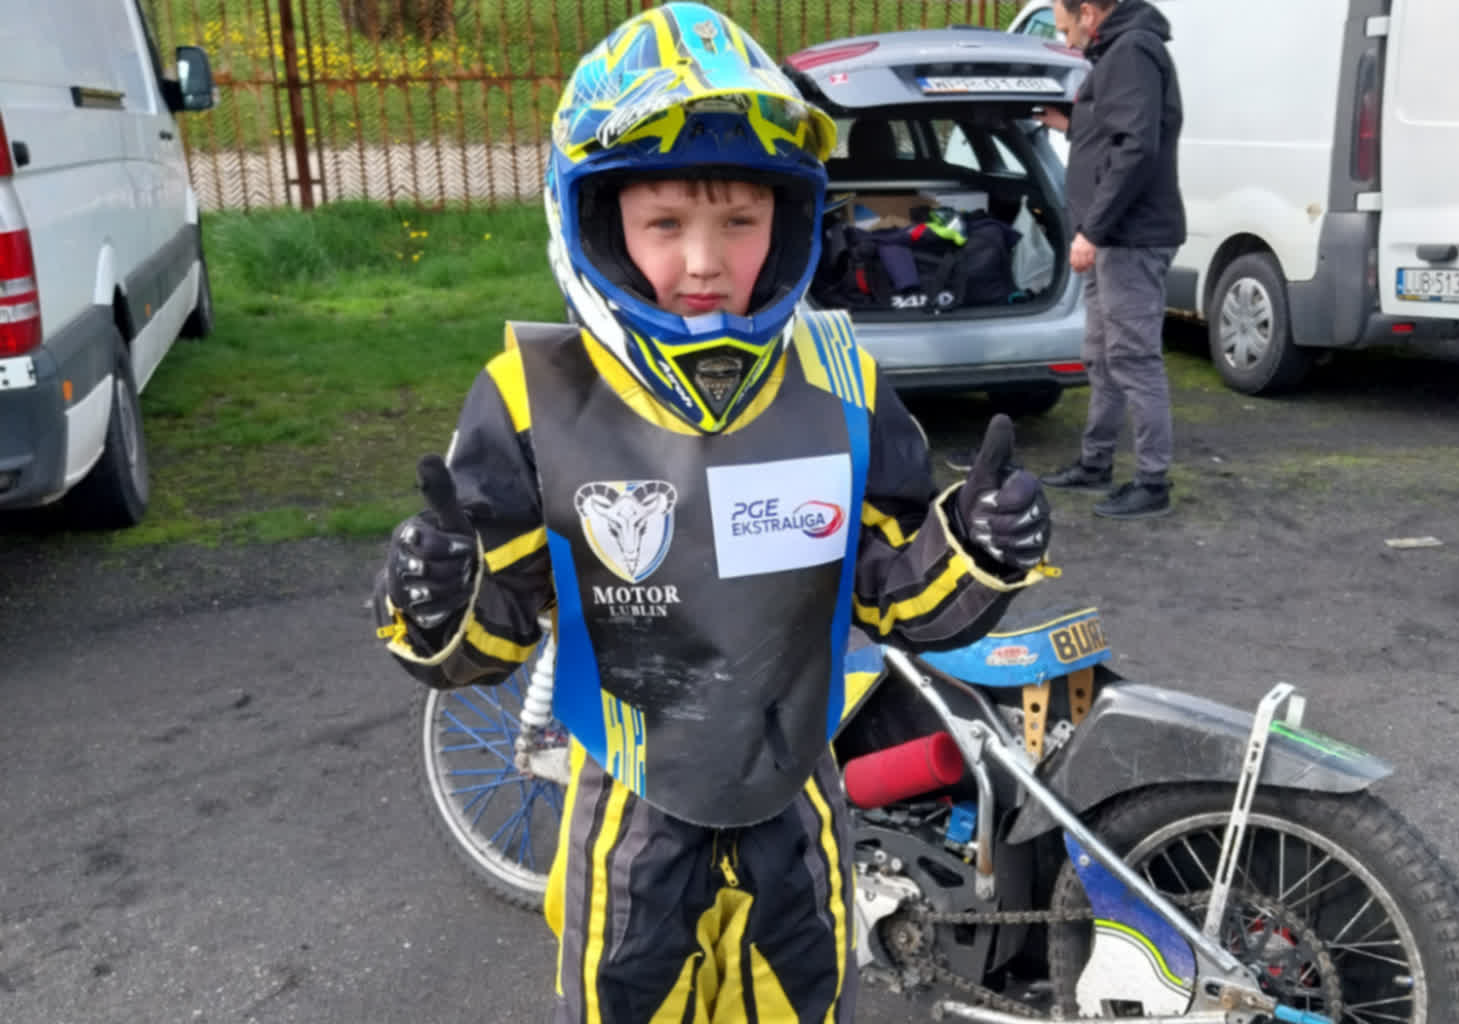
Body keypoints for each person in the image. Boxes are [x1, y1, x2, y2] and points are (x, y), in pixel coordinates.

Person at [371, 5, 1054, 1022]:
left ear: (791, 218)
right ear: (598, 220)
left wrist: (977, 547)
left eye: (740, 221)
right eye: (666, 224)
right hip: (631, 815)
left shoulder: (838, 382)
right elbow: (492, 634)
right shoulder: (534, 396)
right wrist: (434, 602)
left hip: (797, 796)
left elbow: (892, 595)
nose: (705, 260)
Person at [1037, 0, 1186, 520]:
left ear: (1088, 13)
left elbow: (1136, 146)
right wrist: (1070, 123)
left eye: (1065, 28)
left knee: (1134, 359)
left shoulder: (1131, 50)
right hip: (1113, 237)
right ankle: (1095, 462)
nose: (1067, 41)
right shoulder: (1118, 51)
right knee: (1101, 357)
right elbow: (1114, 130)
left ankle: (1152, 482)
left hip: (1130, 238)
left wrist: (1093, 230)